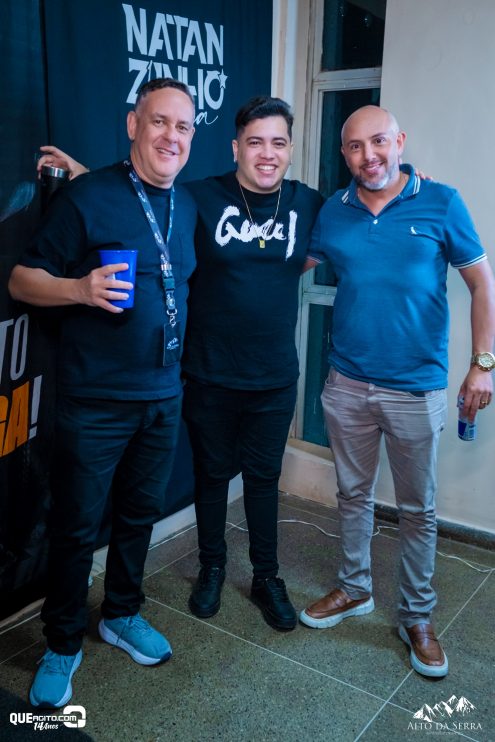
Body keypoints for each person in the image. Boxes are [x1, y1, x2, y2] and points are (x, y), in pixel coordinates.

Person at [40, 97, 324, 631]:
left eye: (278, 142)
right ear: (235, 147)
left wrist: (409, 179)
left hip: (273, 374)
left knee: (264, 479)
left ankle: (267, 577)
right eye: (255, 142)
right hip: (208, 370)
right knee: (211, 476)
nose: (267, 153)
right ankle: (211, 567)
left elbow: (355, 214)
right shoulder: (201, 197)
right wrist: (83, 174)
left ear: (290, 150)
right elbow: (139, 198)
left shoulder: (309, 203)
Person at [8, 78, 197, 707]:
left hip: (163, 394)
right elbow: (21, 280)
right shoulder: (88, 196)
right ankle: (62, 642)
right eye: (159, 121)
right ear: (133, 124)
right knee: (76, 527)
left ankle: (120, 613)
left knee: (139, 515)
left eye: (183, 127)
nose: (171, 136)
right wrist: (80, 290)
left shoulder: (188, 204)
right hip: (95, 403)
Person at [300, 105, 495, 678]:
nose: (369, 156)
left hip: (415, 389)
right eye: (355, 147)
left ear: (400, 141)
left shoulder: (441, 201)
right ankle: (355, 588)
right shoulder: (333, 211)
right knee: (353, 495)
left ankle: (417, 617)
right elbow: (285, 266)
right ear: (344, 154)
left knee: (418, 510)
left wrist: (482, 365)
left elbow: (482, 285)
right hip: (347, 384)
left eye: (379, 142)